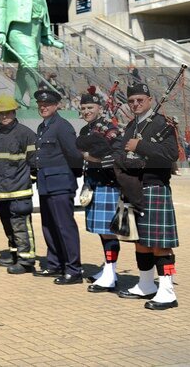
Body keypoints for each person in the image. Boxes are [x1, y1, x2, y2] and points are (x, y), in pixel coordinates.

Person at [117, 82, 181, 310]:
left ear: (150, 100)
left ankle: (167, 291)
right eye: (132, 101)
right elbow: (121, 152)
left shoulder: (162, 124)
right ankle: (146, 284)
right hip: (134, 189)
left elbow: (172, 154)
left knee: (161, 245)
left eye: (140, 100)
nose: (135, 104)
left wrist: (141, 147)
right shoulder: (130, 126)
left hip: (155, 187)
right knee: (140, 241)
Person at [32, 89, 84, 285]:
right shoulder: (42, 127)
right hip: (46, 184)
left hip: (61, 183)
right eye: (40, 105)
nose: (43, 107)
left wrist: (72, 175)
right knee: (49, 226)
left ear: (56, 106)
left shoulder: (62, 126)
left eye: (47, 104)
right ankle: (55, 263)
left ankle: (74, 269)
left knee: (65, 226)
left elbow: (75, 154)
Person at [75, 87, 123, 293]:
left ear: (100, 108)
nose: (86, 111)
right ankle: (108, 268)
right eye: (84, 107)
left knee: (107, 232)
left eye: (90, 107)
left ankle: (111, 274)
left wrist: (94, 158)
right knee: (101, 232)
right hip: (93, 183)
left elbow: (117, 156)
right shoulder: (86, 130)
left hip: (108, 183)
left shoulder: (110, 128)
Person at [0, 95, 38, 274]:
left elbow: (35, 163)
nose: (4, 116)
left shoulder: (26, 134)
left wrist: (27, 182)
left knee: (21, 225)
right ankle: (15, 253)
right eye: (0, 113)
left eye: (7, 112)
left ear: (14, 111)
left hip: (19, 190)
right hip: (2, 191)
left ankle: (27, 260)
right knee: (7, 225)